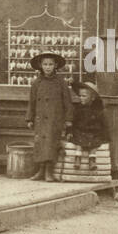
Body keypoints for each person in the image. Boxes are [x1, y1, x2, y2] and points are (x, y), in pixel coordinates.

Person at [25, 52, 72, 181]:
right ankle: (40, 171)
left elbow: (67, 101)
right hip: (40, 119)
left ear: (55, 65)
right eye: (45, 64)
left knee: (52, 143)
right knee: (40, 144)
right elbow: (32, 101)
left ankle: (49, 172)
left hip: (54, 119)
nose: (48, 67)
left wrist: (68, 119)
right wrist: (30, 118)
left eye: (50, 64)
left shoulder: (61, 82)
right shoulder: (36, 83)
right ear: (40, 65)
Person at [69, 81, 108, 173]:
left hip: (93, 132)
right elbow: (72, 121)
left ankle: (92, 161)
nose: (81, 98)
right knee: (78, 141)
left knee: (94, 143)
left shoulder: (98, 110)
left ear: (92, 98)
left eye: (84, 96)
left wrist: (105, 136)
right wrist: (69, 131)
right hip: (80, 131)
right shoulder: (78, 109)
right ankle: (78, 158)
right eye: (80, 96)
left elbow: (104, 124)